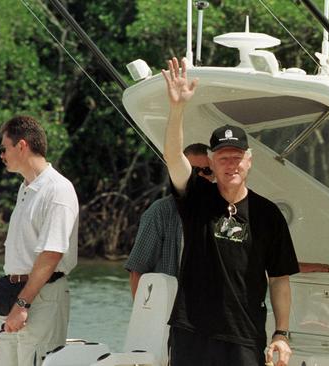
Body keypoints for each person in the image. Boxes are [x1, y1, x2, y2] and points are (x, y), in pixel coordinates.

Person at [161, 57, 299, 366]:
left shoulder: (268, 215)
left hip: (245, 337)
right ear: (210, 161)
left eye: (237, 157)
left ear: (249, 160)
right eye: (222, 158)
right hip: (192, 331)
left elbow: (279, 279)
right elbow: (172, 157)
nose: (230, 164)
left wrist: (281, 334)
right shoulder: (196, 197)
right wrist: (178, 109)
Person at [0, 115, 79, 366]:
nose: (1, 155)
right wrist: (4, 303)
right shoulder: (26, 188)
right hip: (15, 297)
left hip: (40, 299)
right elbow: (23, 254)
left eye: (3, 148)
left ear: (21, 146)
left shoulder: (58, 190)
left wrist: (21, 304)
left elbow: (51, 255)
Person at [125, 143, 213, 298]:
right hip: (169, 311)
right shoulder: (160, 212)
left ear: (214, 174)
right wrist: (144, 318)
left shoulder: (227, 213)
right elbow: (137, 272)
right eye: (193, 170)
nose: (199, 176)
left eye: (206, 171)